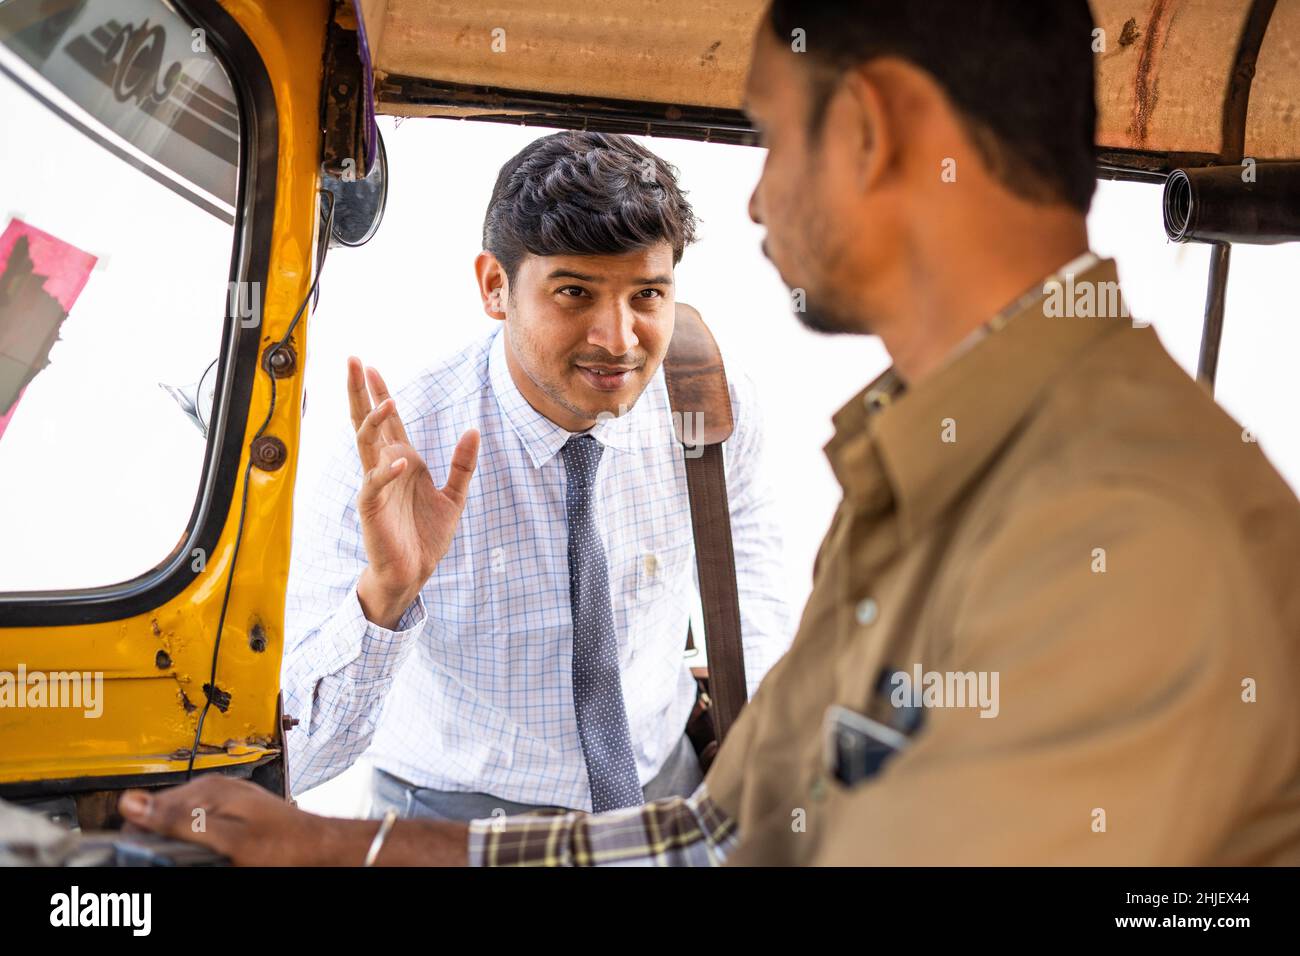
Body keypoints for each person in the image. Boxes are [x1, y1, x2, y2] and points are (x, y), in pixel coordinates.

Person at [122, 0, 1300, 865]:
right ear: (496, 286)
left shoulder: (1109, 515)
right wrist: (370, 747)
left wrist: (352, 855)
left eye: (773, 138)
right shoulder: (939, 466)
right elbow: (738, 826)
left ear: (874, 135)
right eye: (575, 292)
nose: (752, 198)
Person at [279, 131, 793, 819]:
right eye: (575, 292)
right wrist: (387, 596)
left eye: (647, 295)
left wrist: (765, 770)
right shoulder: (394, 458)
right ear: (496, 286)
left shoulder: (708, 403)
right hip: (452, 824)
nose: (617, 338)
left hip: (668, 793)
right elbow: (299, 756)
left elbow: (755, 607)